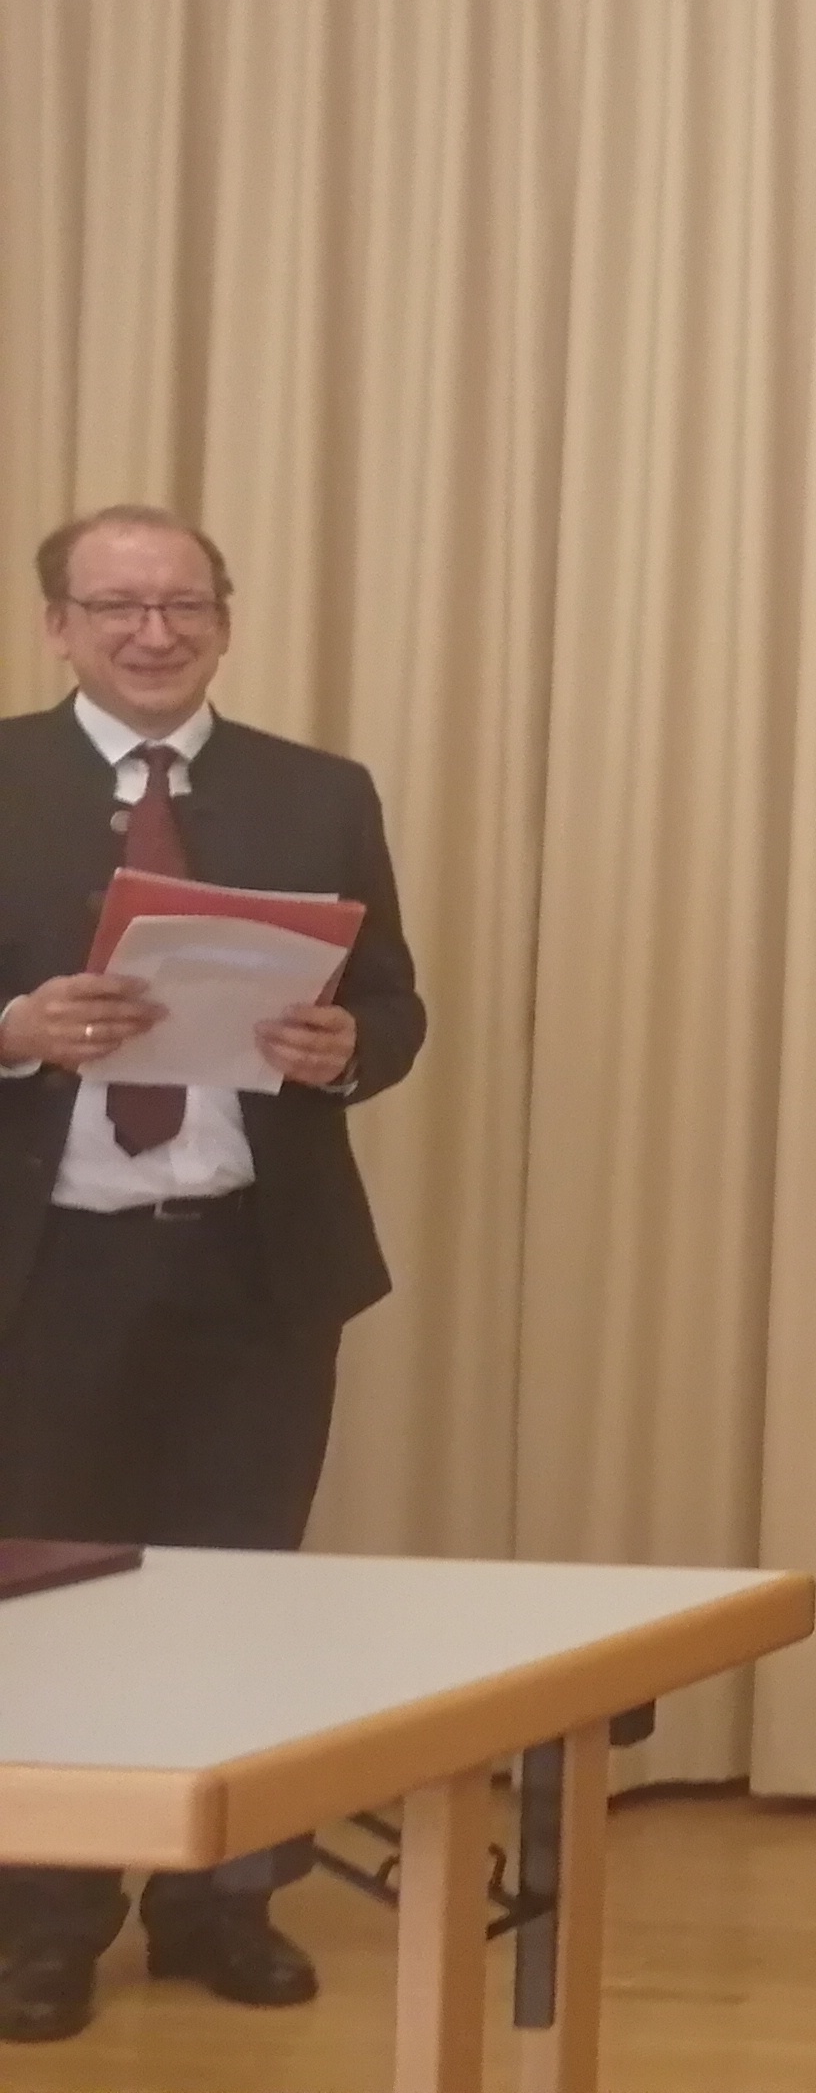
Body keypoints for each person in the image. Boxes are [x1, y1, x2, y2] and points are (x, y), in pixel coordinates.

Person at [0, 506, 426, 2044]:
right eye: (116, 606)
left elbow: (392, 1000)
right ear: (58, 625)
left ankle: (223, 1902)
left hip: (255, 1269)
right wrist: (13, 1032)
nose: (152, 631)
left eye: (182, 602)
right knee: (44, 1610)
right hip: (44, 1281)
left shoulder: (319, 792)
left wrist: (349, 1048)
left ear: (226, 619)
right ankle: (45, 1921)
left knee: (241, 1598)